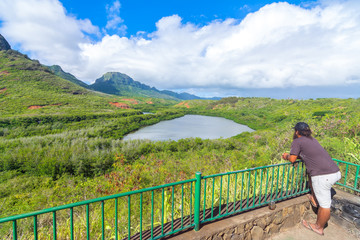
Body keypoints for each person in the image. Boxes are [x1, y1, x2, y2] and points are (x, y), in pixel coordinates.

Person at [282, 122, 341, 236]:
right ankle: (314, 198)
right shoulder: (312, 140)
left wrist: (286, 156)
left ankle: (319, 227)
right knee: (316, 187)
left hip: (323, 176)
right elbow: (307, 154)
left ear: (297, 132)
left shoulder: (297, 141)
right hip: (335, 172)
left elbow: (293, 159)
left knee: (325, 205)